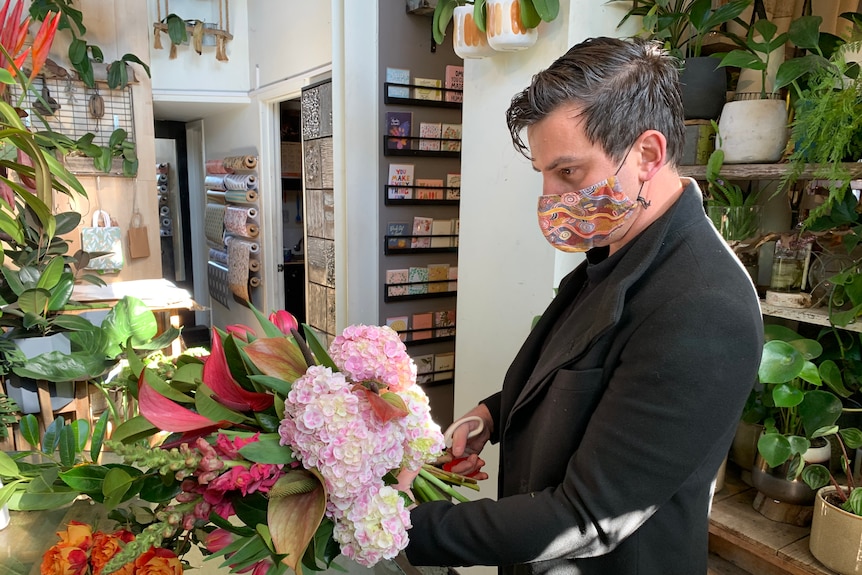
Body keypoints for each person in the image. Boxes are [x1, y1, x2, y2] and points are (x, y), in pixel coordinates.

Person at [402, 36, 763, 575]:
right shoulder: (617, 244)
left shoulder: (704, 306)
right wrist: (492, 415)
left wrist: (405, 526)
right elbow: (578, 367)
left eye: (568, 172)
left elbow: (589, 516)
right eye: (544, 175)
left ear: (647, 155)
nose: (550, 198)